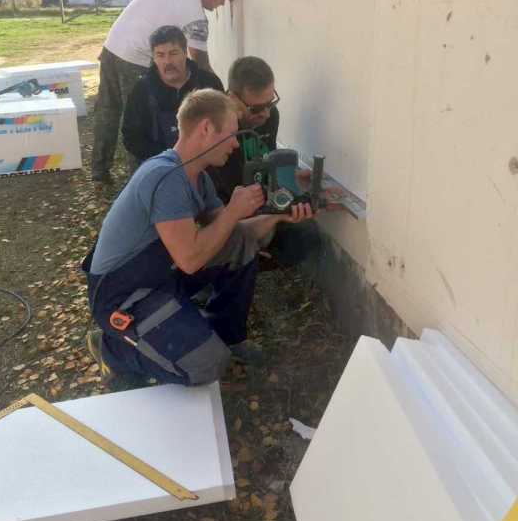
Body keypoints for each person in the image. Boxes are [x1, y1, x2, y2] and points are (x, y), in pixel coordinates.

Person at [82, 89, 313, 389]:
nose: (235, 143)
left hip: (158, 277)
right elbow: (190, 260)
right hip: (123, 296)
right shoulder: (165, 177)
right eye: (231, 134)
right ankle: (112, 348)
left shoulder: (197, 176)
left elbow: (233, 234)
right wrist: (233, 210)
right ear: (205, 128)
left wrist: (279, 215)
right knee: (207, 365)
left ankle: (224, 336)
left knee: (239, 243)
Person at [91, 0, 234, 181]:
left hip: (113, 43)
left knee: (107, 110)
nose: (222, 3)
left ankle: (99, 169)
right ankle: (141, 179)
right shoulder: (194, 15)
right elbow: (201, 64)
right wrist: (226, 103)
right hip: (134, 57)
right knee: (139, 120)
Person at [208, 56, 344, 266]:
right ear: (232, 98)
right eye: (256, 108)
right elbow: (230, 200)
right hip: (226, 210)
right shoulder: (216, 131)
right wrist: (278, 210)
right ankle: (239, 261)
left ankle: (256, 256)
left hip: (257, 200)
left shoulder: (270, 117)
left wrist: (301, 187)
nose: (266, 113)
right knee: (244, 238)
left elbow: (270, 168)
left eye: (271, 103)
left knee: (306, 238)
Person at [122, 25, 224, 173]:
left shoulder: (208, 83)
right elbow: (131, 138)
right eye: (160, 55)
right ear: (154, 58)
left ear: (185, 52)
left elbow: (225, 126)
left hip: (207, 169)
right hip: (161, 170)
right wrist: (168, 160)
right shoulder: (141, 91)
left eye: (173, 53)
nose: (167, 61)